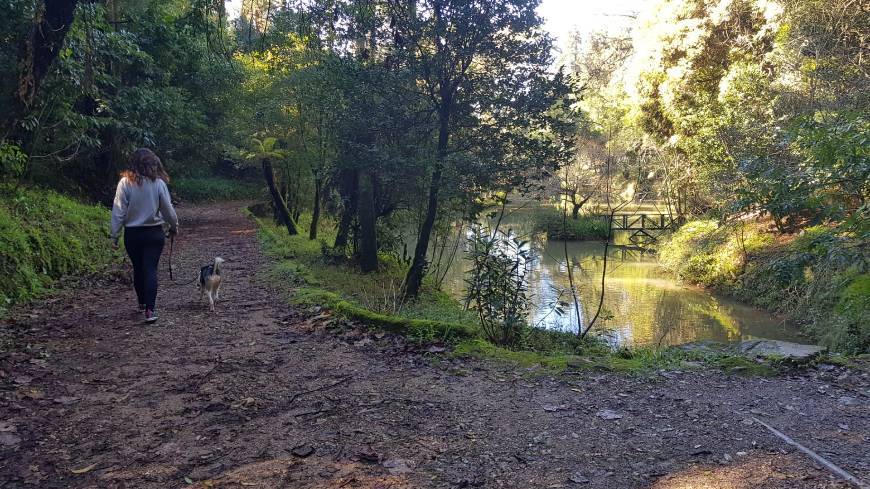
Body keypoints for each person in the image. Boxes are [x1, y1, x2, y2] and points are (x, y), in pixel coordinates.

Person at [110, 148, 178, 323]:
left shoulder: (125, 183)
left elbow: (118, 211)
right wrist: (173, 225)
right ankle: (150, 309)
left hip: (133, 235)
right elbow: (168, 210)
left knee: (139, 268)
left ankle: (142, 301)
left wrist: (115, 235)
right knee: (150, 269)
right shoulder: (158, 184)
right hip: (154, 233)